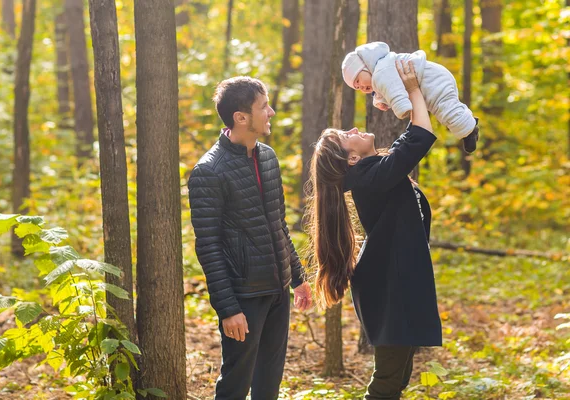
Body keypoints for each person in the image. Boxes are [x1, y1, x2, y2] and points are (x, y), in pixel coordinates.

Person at [307, 61, 442, 399]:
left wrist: (395, 94)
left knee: (397, 379)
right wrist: (411, 89)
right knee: (386, 383)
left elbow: (408, 143)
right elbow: (420, 137)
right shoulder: (372, 178)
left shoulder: (373, 174)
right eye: (346, 137)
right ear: (351, 159)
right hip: (390, 290)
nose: (353, 130)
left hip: (393, 285)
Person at [188, 76, 313, 400]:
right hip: (243, 294)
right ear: (241, 118)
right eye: (263, 107)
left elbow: (278, 224)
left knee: (268, 384)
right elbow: (208, 246)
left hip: (276, 290)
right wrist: (228, 308)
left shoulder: (269, 157)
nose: (270, 112)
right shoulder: (208, 172)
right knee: (235, 384)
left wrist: (296, 277)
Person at [342, 41, 479, 153]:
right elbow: (392, 87)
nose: (361, 88)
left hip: (432, 81)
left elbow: (394, 91)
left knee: (446, 109)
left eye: (358, 81)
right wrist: (383, 101)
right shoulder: (381, 71)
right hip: (429, 85)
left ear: (365, 66)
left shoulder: (381, 71)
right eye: (357, 87)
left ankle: (469, 129)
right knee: (445, 110)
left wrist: (402, 108)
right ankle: (466, 125)